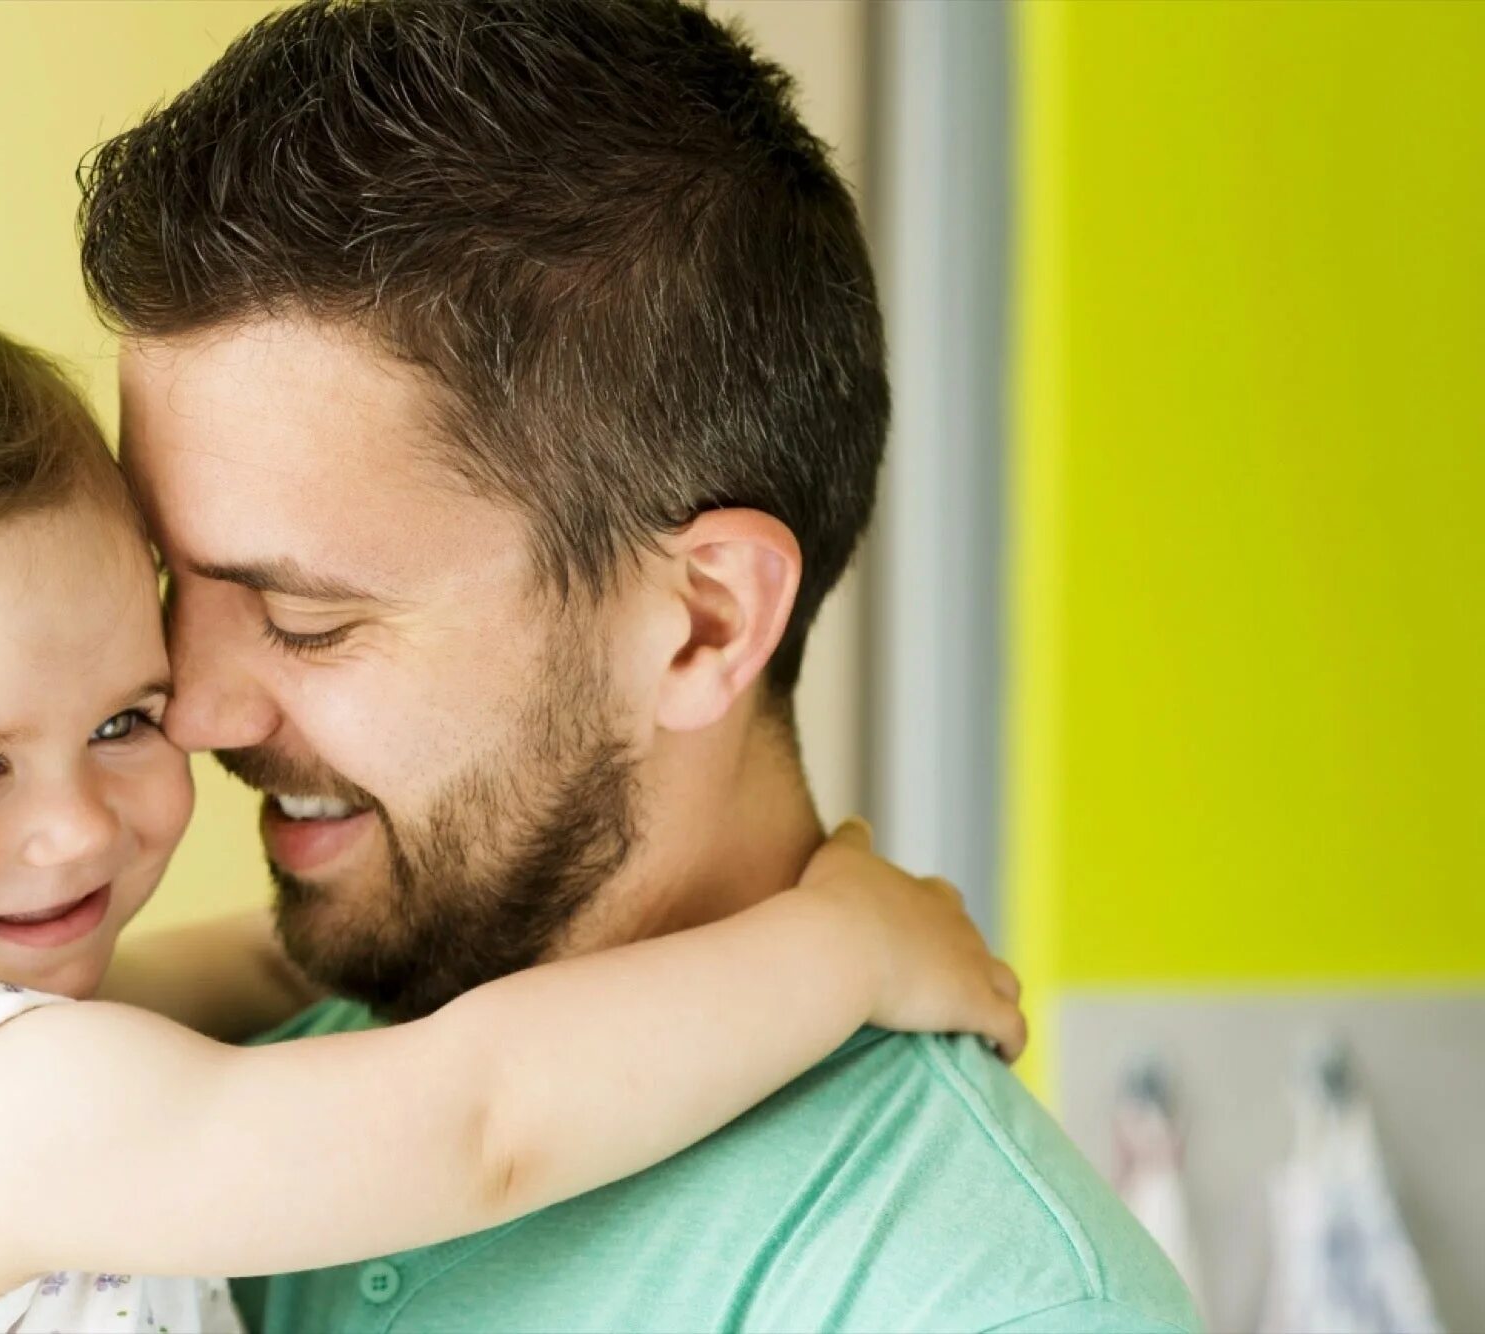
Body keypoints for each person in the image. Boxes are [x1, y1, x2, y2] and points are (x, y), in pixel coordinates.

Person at [0, 278, 1021, 1334]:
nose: (82, 827)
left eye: (123, 718)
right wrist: (844, 949)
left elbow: (191, 980)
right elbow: (479, 1122)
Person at [77, 1, 1202, 1329]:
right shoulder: (199, 1115)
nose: (192, 707)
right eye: (171, 581)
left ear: (703, 622)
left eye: (306, 614)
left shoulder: (978, 1298)